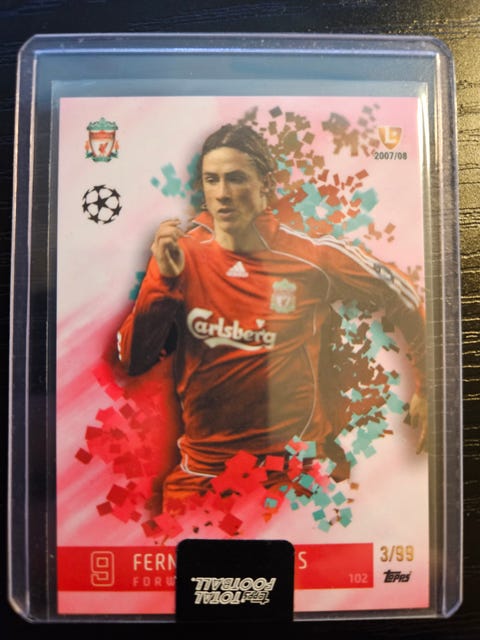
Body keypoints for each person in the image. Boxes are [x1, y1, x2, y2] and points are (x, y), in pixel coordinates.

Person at [116, 123, 427, 512]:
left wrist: (428, 385)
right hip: (201, 476)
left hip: (295, 476)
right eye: (212, 180)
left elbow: (403, 295)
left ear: (265, 185)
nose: (222, 193)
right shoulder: (180, 256)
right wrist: (162, 281)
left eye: (236, 179)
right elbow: (132, 359)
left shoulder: (312, 258)